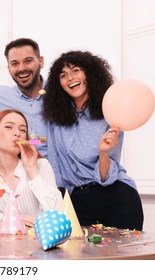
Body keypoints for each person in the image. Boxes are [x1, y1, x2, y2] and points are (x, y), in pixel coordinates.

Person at [42, 50, 144, 230]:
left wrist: (104, 152)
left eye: (75, 70)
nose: (70, 78)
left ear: (89, 73)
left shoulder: (111, 112)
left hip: (117, 196)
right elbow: (55, 165)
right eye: (63, 75)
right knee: (80, 256)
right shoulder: (55, 119)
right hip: (77, 201)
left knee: (124, 255)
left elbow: (106, 177)